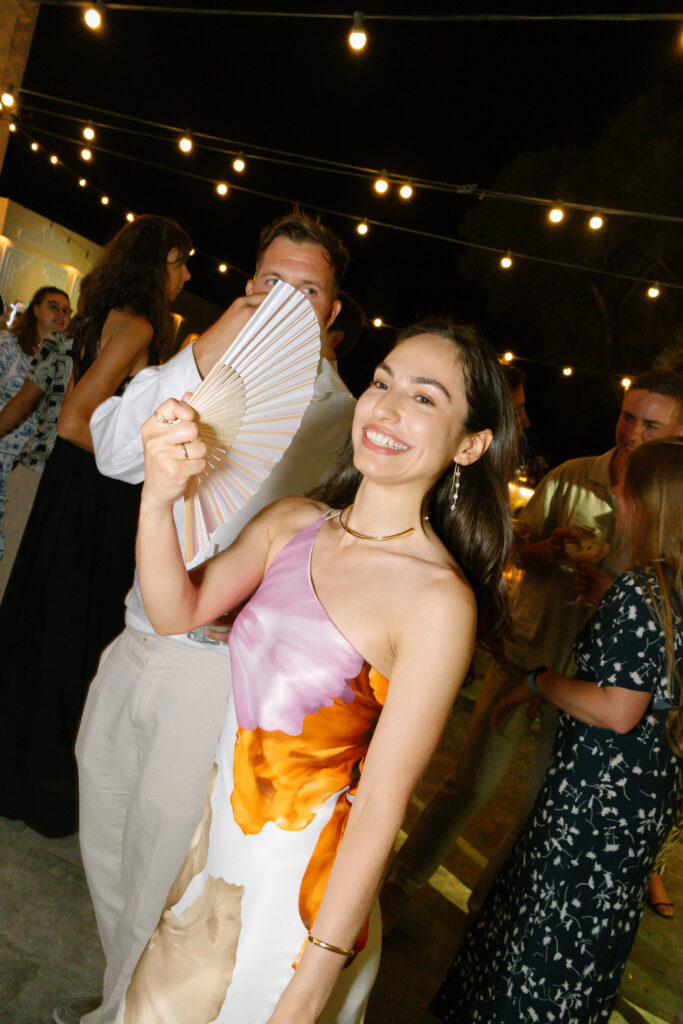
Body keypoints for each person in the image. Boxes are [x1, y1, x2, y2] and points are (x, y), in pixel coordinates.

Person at [113, 315, 516, 1024]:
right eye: (382, 382)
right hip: (211, 862)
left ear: (470, 444)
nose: (386, 408)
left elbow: (383, 804)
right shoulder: (290, 523)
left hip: (299, 911)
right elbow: (177, 610)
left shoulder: (436, 601)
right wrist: (158, 497)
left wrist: (312, 977)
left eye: (424, 398)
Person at [72, 212, 357, 1024]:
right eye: (272, 282)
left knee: (161, 862)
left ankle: (121, 1012)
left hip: (212, 669)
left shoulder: (338, 419)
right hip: (135, 635)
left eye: (308, 291)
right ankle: (122, 994)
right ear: (247, 285)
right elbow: (111, 444)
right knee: (105, 830)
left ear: (332, 313)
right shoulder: (205, 366)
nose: (286, 301)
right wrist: (197, 357)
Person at [381, 369, 683, 929]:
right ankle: (398, 890)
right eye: (628, 416)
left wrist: (608, 592)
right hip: (529, 651)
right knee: (467, 784)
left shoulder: (673, 503)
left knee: (539, 811)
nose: (634, 432)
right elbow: (517, 547)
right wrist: (546, 548)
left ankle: (489, 917)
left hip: (593, 687)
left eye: (651, 423)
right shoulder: (574, 477)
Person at [431, 437, 683, 1024]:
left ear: (649, 505)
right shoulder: (668, 590)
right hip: (643, 800)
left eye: (624, 492)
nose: (614, 500)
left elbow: (619, 708)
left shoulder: (642, 588)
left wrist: (541, 682)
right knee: (589, 938)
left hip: (594, 800)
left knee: (545, 926)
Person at [0, 215, 192, 840]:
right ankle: (36, 780)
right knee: (69, 632)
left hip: (77, 490)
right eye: (178, 261)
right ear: (153, 264)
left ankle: (22, 769)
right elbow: (75, 421)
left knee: (48, 622)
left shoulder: (110, 316)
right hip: (92, 494)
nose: (186, 274)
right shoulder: (135, 323)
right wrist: (144, 458)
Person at [0, 286, 71, 560]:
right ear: (36, 309)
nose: (61, 314)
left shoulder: (63, 358)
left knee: (10, 539)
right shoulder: (7, 344)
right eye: (53, 306)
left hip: (27, 462)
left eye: (66, 310)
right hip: (2, 445)